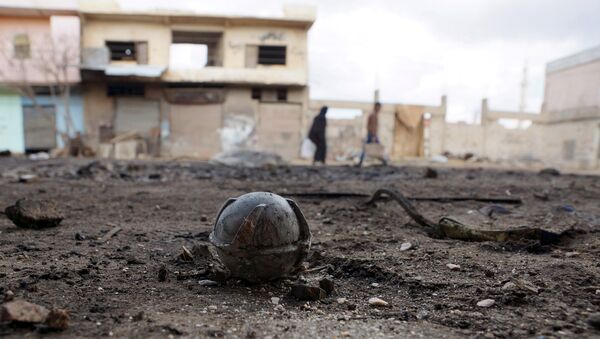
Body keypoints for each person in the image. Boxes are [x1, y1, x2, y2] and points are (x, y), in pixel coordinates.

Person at [357, 102, 387, 166]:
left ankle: (384, 160)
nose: (379, 109)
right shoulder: (373, 115)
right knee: (378, 147)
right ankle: (384, 161)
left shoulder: (374, 115)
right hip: (372, 134)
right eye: (378, 107)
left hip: (372, 134)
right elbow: (371, 126)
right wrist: (373, 136)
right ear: (375, 107)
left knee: (368, 148)